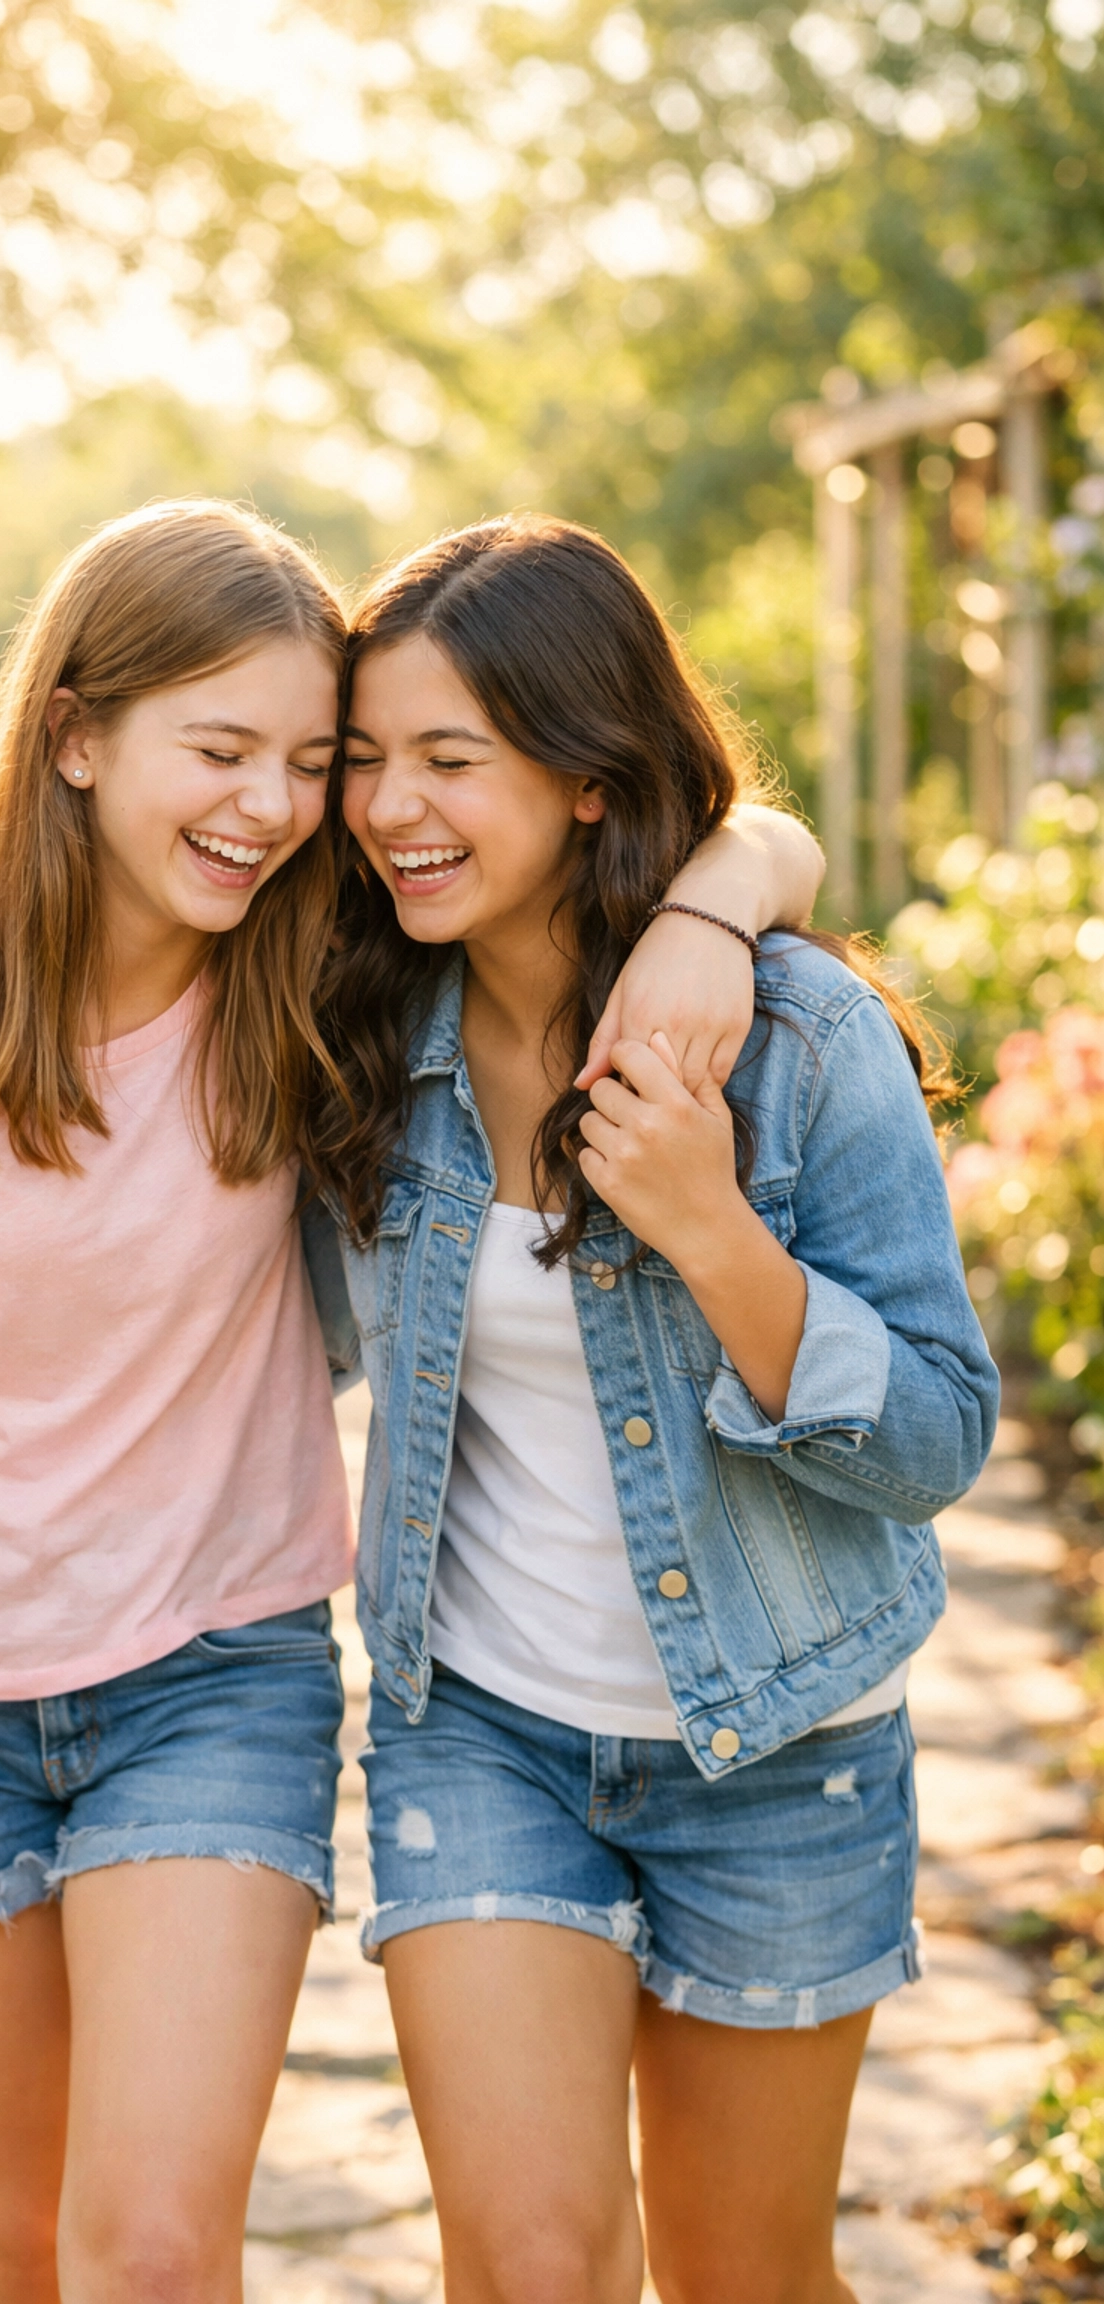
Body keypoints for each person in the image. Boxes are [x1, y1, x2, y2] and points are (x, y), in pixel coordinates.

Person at [0, 501, 822, 2304]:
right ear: (74, 732)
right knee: (23, 2239)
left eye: (316, 760)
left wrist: (717, 910)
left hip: (221, 1664)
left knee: (151, 2248)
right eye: (237, 751)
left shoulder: (314, 973)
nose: (288, 805)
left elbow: (714, 810)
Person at [304, 515, 1000, 2304]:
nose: (390, 806)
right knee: (529, 2267)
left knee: (743, 2275)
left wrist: (709, 1229)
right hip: (485, 1733)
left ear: (591, 777)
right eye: (367, 758)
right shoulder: (365, 1026)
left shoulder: (798, 1041)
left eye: (451, 759)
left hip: (783, 1747)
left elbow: (935, 1439)